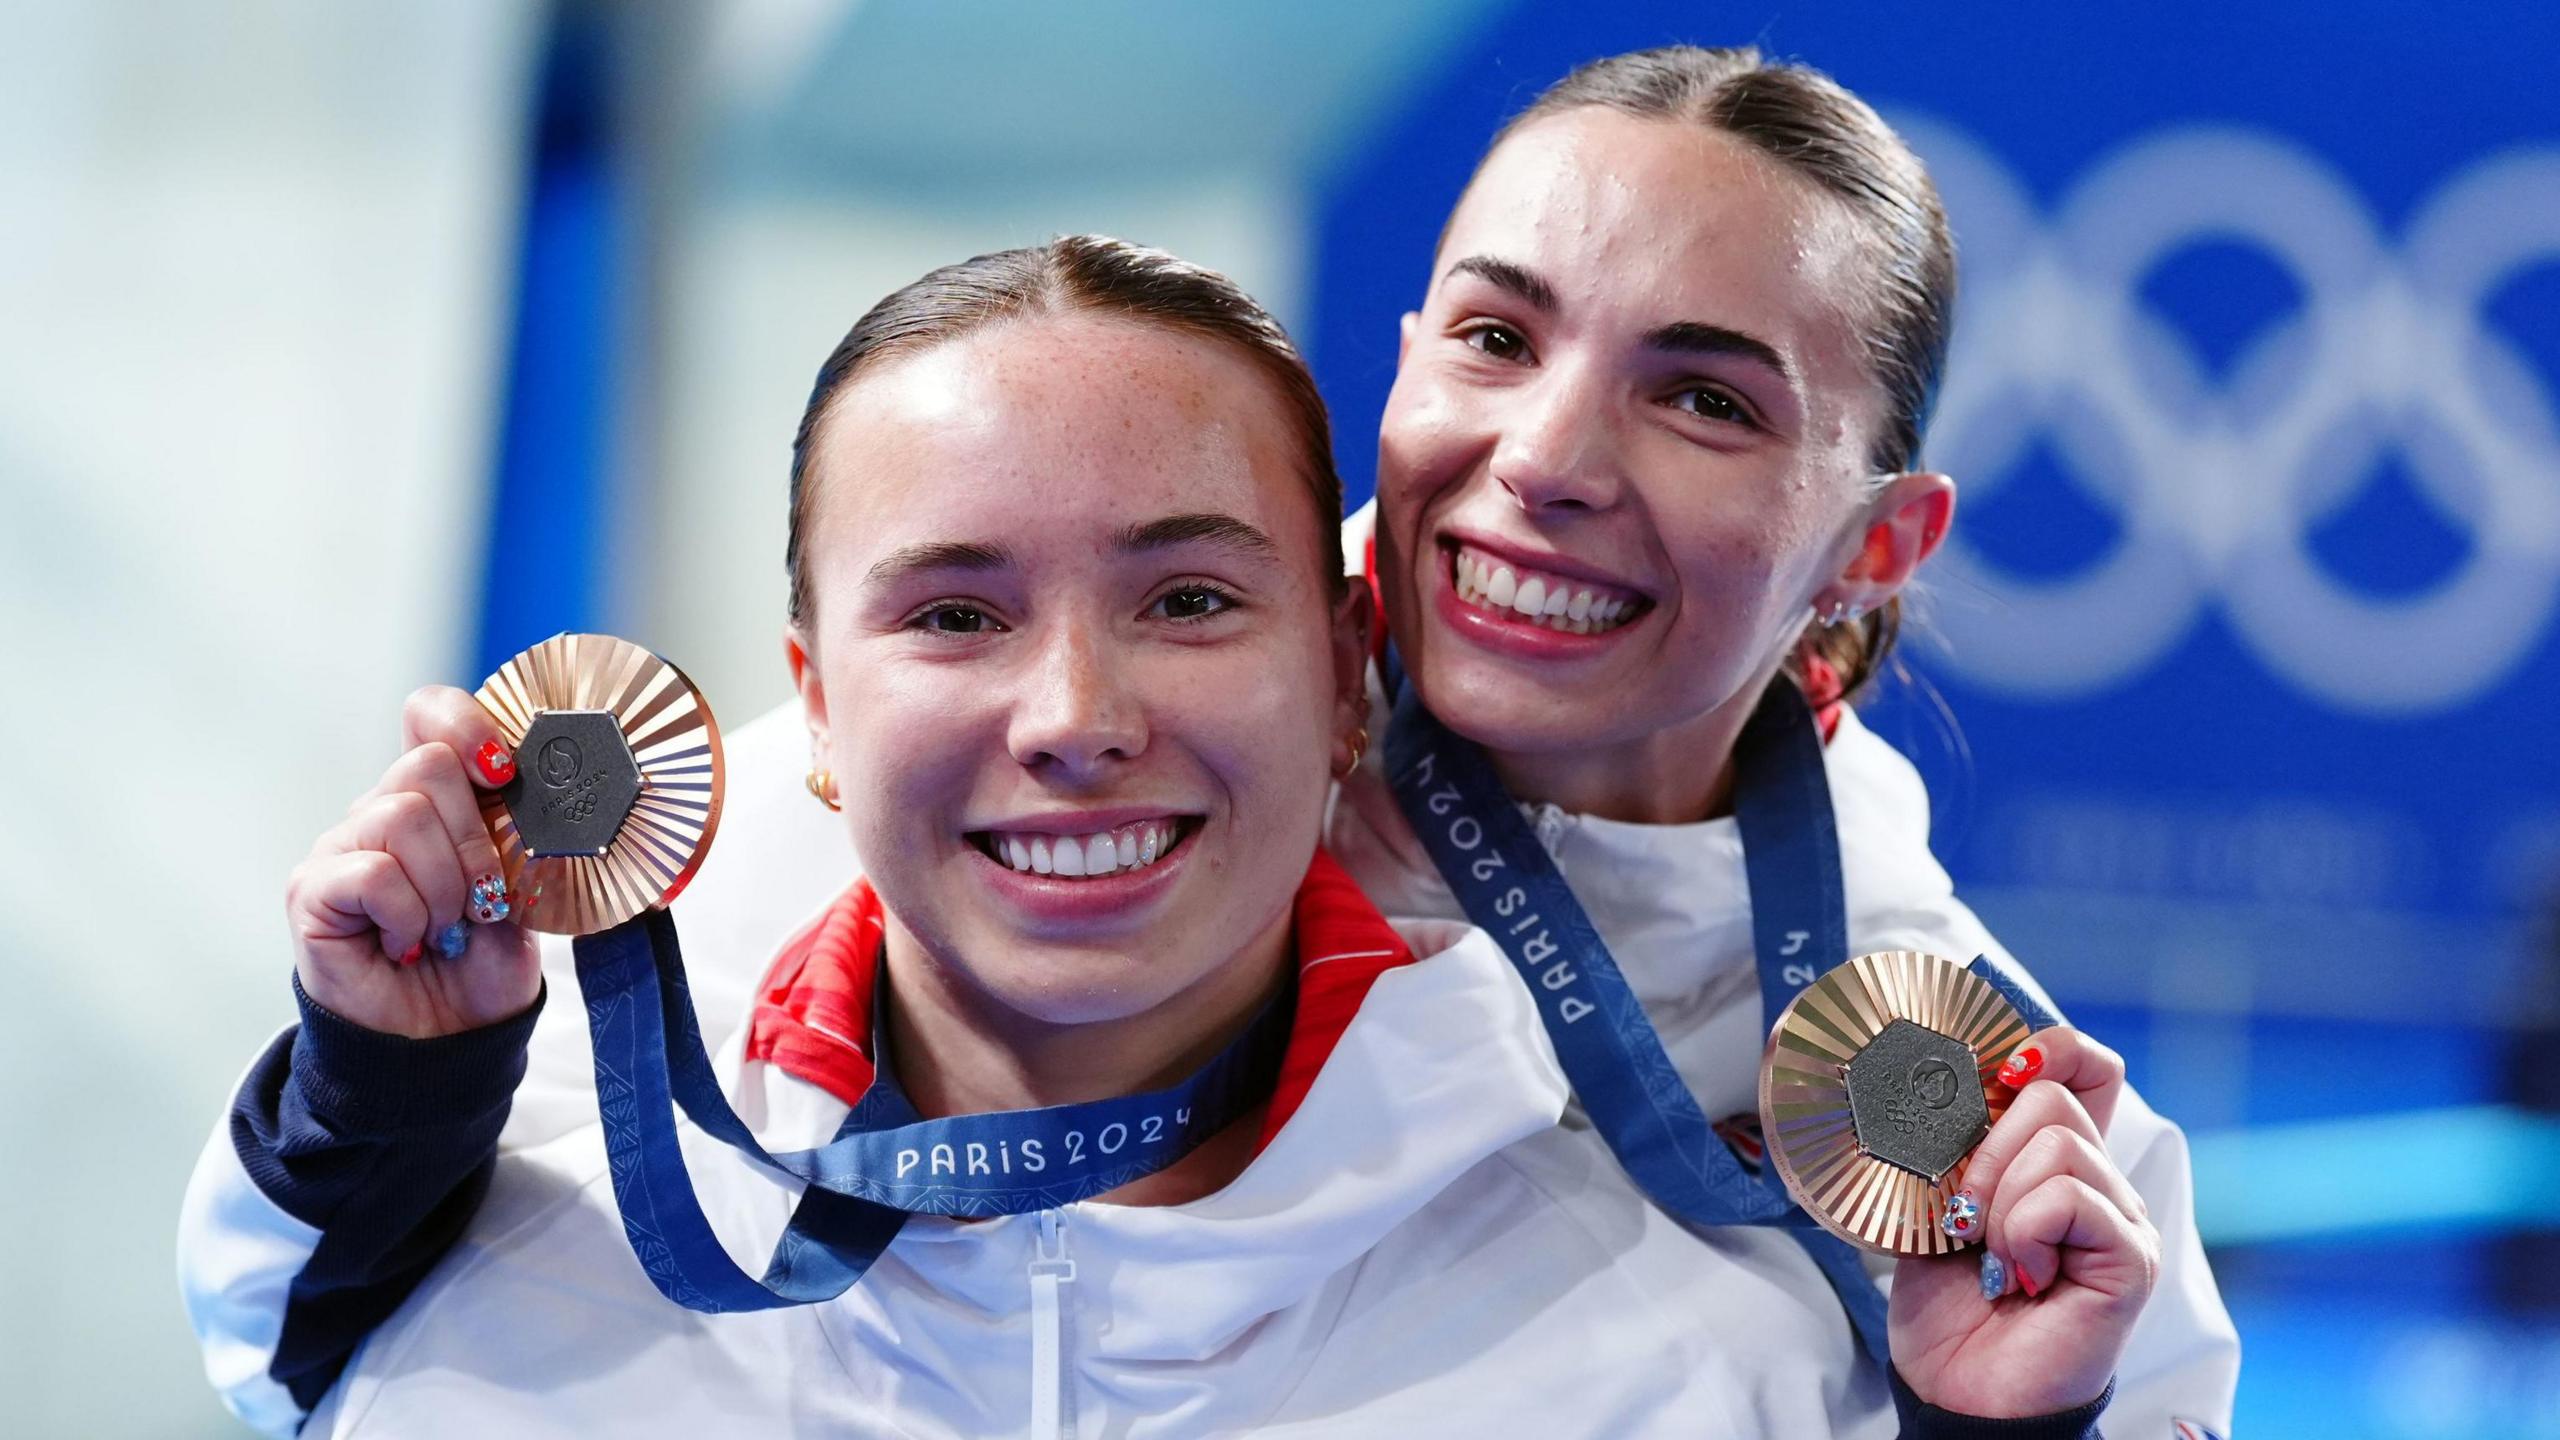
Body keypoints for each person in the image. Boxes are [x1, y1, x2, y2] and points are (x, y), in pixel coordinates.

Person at [182, 43, 2234, 1436]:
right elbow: (303, 1314)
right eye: (1498, 338)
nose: (1544, 461)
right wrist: (382, 1085)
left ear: (1875, 545)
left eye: (1701, 399)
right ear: (1408, 352)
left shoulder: (1965, 1113)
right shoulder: (936, 798)